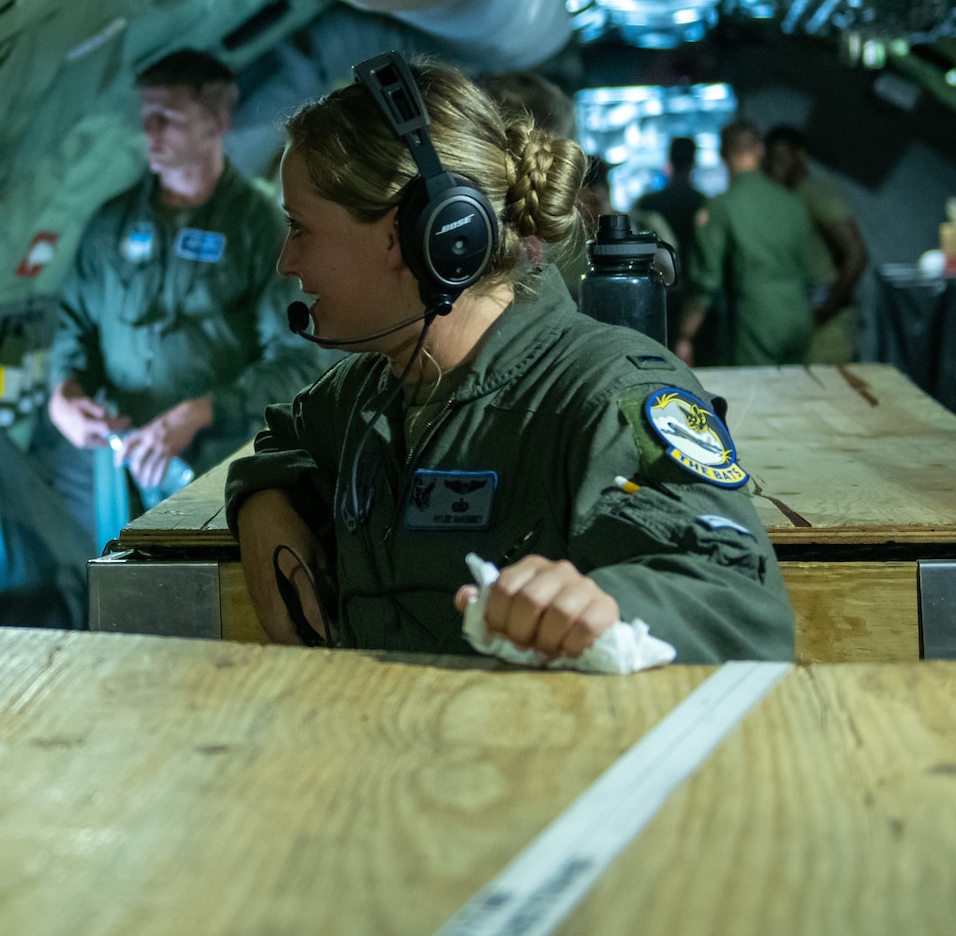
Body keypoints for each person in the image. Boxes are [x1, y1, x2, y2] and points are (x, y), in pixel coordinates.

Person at [227, 58, 795, 664]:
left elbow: (742, 605)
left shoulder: (606, 395)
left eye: (301, 229)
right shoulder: (368, 388)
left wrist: (607, 604)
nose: (287, 262)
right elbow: (286, 439)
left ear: (416, 235)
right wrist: (263, 504)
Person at [46, 49, 332, 547]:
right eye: (146, 117)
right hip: (122, 470)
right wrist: (63, 395)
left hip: (221, 471)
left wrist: (202, 410)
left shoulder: (261, 230)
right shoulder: (110, 224)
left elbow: (299, 364)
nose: (150, 131)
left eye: (168, 118)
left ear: (216, 122)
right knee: (121, 587)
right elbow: (74, 328)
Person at [675, 121, 819, 367]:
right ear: (760, 149)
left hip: (756, 319)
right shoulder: (792, 202)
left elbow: (705, 279)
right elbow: (810, 268)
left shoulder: (723, 206)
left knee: (757, 388)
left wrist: (685, 335)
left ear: (723, 154)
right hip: (799, 316)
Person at [765, 124, 868, 365]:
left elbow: (857, 255)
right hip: (798, 321)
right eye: (771, 160)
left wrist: (826, 310)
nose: (776, 168)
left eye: (781, 159)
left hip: (827, 329)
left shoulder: (816, 194)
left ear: (800, 156)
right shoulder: (783, 198)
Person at [632, 136, 709, 352]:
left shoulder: (648, 203)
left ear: (669, 161)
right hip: (692, 293)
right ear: (694, 163)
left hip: (656, 291)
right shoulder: (703, 202)